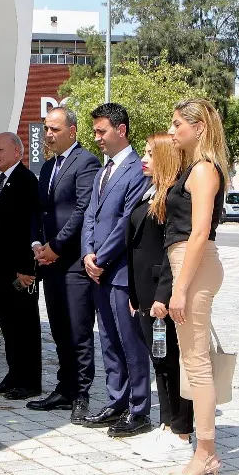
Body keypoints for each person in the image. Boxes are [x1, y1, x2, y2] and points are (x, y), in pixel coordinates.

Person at [165, 98, 230, 475]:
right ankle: (204, 449)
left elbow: (200, 232)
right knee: (193, 359)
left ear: (199, 127)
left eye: (177, 124)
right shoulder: (192, 168)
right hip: (189, 264)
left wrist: (181, 289)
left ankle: (206, 452)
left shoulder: (204, 170)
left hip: (195, 266)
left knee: (196, 361)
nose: (172, 131)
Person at [78, 103, 152, 437]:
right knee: (108, 341)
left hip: (120, 272)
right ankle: (116, 401)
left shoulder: (137, 170)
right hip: (98, 271)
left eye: (101, 131)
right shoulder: (103, 171)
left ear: (120, 130)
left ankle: (139, 410)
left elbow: (127, 223)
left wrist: (101, 258)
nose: (97, 138)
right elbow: (90, 216)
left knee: (130, 343)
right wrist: (87, 254)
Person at [27, 106, 100, 421]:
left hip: (73, 263)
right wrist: (37, 245)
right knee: (58, 328)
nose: (48, 134)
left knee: (79, 332)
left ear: (72, 131)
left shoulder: (86, 162)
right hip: (50, 262)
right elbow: (39, 211)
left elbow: (83, 209)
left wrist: (56, 246)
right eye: (46, 128)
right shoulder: (46, 167)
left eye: (55, 129)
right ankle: (64, 388)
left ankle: (81, 394)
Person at [127, 134, 192, 464]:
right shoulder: (148, 190)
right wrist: (133, 293)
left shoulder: (171, 198)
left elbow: (171, 253)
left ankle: (182, 431)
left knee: (171, 364)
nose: (145, 158)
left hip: (159, 294)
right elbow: (133, 246)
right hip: (143, 293)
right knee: (160, 364)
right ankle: (167, 425)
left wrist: (162, 296)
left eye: (152, 154)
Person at [0, 132, 42, 398]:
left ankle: (30, 382)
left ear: (18, 152)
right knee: (8, 325)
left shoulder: (27, 181)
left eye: (0, 150)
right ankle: (13, 374)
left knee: (25, 325)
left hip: (20, 271)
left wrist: (28, 269)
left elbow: (30, 226)